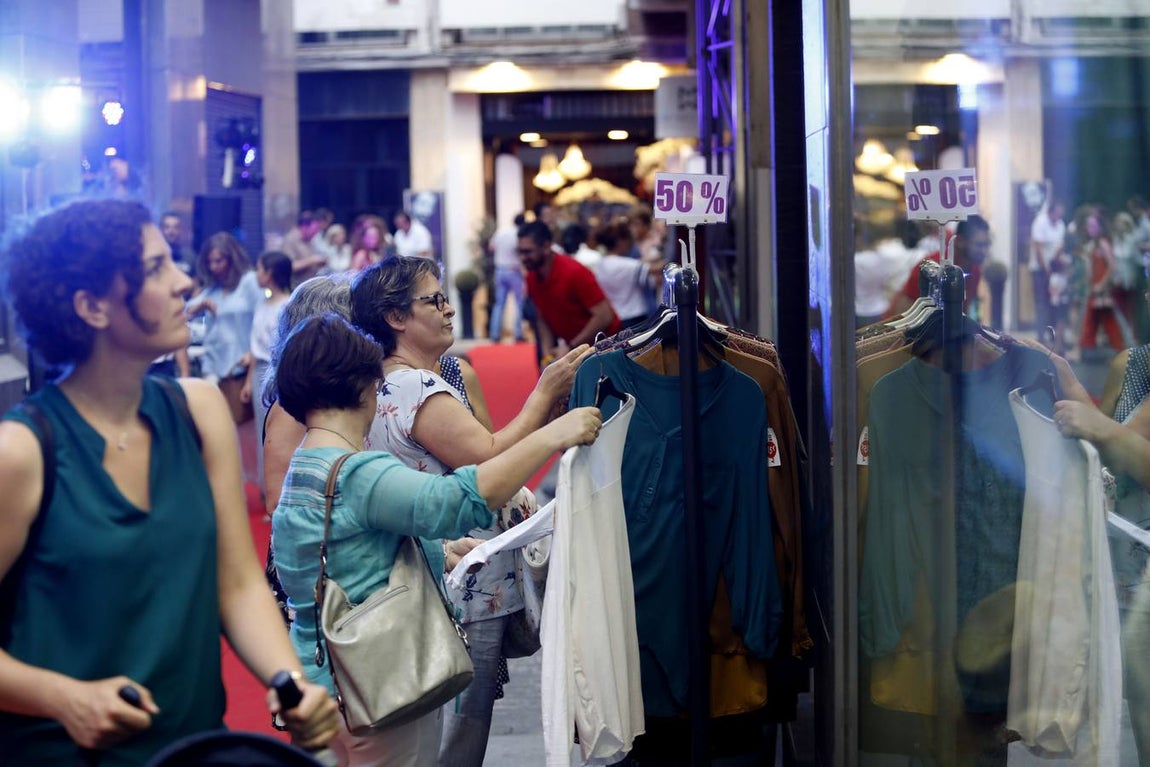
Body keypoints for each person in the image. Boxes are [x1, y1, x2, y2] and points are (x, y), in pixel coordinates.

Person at [0, 198, 339, 765]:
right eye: (156, 268)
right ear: (92, 306)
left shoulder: (198, 411)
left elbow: (236, 584)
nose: (184, 280)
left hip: (192, 749)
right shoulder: (23, 450)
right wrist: (64, 698)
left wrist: (291, 683)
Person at [270, 313, 601, 766]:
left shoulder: (305, 466)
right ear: (364, 386)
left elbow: (349, 554)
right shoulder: (358, 472)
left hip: (324, 682)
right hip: (379, 687)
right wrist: (551, 434)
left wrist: (441, 552)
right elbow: (457, 500)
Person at [349, 256, 594, 767]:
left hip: (445, 574)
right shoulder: (414, 385)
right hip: (464, 581)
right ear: (395, 318)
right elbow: (488, 458)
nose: (446, 309)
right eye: (432, 300)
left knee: (443, 733)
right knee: (457, 740)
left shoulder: (387, 382)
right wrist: (545, 392)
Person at [186, 232, 264, 425]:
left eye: (219, 261)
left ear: (231, 258)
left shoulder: (249, 282)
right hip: (213, 365)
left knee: (239, 428)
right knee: (213, 425)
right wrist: (200, 305)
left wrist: (252, 352)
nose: (214, 267)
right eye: (210, 262)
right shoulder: (212, 288)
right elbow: (184, 312)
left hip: (240, 367)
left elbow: (263, 319)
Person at [517, 220, 620, 364]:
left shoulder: (573, 272)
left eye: (528, 251)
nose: (522, 258)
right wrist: (547, 358)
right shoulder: (532, 278)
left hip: (606, 350)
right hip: (576, 351)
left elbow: (604, 316)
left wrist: (571, 347)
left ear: (546, 247)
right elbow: (542, 319)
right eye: (520, 252)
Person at [242, 251, 292, 497]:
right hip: (259, 370)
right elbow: (255, 346)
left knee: (279, 432)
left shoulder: (288, 304)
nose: (257, 275)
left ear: (270, 273)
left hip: (281, 371)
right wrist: (249, 379)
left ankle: (279, 491)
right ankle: (266, 491)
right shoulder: (262, 303)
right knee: (262, 432)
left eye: (260, 269)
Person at [884, 215, 992, 319]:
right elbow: (903, 313)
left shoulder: (975, 269)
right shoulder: (929, 268)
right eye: (979, 245)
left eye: (987, 244)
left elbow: (962, 311)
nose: (985, 251)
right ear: (960, 241)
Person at [590, 219, 665, 330]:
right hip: (635, 317)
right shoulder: (625, 264)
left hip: (615, 317)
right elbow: (657, 268)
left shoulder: (600, 264)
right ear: (620, 241)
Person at [1078, 209, 1127, 353]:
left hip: (1102, 289)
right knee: (1095, 318)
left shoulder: (1103, 243)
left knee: (1106, 319)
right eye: (1088, 226)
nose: (1090, 229)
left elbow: (1112, 266)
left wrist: (1101, 284)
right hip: (1095, 287)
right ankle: (1087, 349)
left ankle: (1118, 349)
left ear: (1099, 227)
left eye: (1093, 226)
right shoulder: (1093, 244)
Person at [486, 214, 527, 343]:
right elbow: (520, 253)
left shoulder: (501, 231)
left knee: (499, 304)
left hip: (499, 270)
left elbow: (491, 247)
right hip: (513, 270)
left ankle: (494, 334)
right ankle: (518, 333)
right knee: (519, 303)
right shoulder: (518, 234)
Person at [1030, 199, 1065, 341]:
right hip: (1040, 269)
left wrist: (1055, 266)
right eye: (1057, 214)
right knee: (1041, 302)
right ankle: (1040, 335)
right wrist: (1046, 268)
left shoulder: (1060, 225)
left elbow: (1060, 246)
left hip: (1054, 269)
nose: (1058, 217)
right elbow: (1038, 247)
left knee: (1054, 302)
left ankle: (1053, 334)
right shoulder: (1040, 222)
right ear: (1051, 212)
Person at [282, 211, 328, 283]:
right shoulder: (291, 240)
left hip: (309, 283)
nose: (315, 233)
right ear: (304, 227)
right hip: (296, 285)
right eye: (314, 230)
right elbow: (290, 266)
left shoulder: (309, 240)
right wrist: (312, 261)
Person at [159, 211, 197, 278]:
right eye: (167, 227)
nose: (171, 231)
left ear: (180, 230)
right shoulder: (154, 257)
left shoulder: (190, 256)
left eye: (176, 227)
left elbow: (196, 284)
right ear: (161, 230)